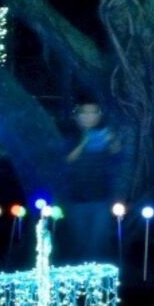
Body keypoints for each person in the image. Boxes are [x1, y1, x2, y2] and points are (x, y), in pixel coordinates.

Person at [62, 100, 120, 261]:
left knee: (98, 244)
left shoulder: (104, 134)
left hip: (101, 198)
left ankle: (97, 273)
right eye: (85, 113)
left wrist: (113, 141)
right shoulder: (70, 134)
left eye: (94, 112)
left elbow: (117, 156)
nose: (90, 116)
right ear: (77, 115)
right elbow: (68, 160)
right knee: (80, 244)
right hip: (76, 199)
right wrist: (84, 141)